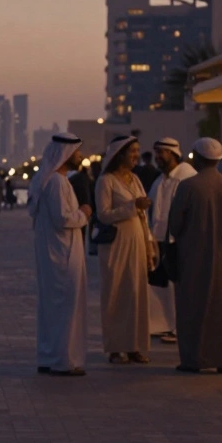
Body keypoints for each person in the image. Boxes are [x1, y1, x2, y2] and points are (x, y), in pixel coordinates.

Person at [167, 138, 222, 373]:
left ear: (197, 157)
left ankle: (194, 359)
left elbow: (175, 225)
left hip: (193, 256)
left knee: (193, 306)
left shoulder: (188, 187)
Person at [28, 132, 92, 376]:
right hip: (62, 254)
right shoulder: (56, 182)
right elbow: (62, 218)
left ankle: (50, 355)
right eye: (77, 152)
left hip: (57, 251)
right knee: (65, 307)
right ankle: (63, 360)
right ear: (65, 154)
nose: (81, 156)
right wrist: (84, 213)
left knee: (55, 308)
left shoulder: (56, 180)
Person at [95, 135, 156, 364]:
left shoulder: (135, 180)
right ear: (119, 153)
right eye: (132, 151)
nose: (136, 156)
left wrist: (149, 243)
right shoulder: (106, 181)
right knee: (116, 293)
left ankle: (135, 346)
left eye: (138, 151)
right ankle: (115, 347)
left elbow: (143, 216)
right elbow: (103, 214)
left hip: (137, 241)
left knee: (136, 293)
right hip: (116, 244)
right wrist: (132, 207)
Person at [146, 138, 197, 344]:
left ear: (174, 154)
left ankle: (180, 328)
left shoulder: (187, 177)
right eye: (156, 152)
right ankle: (164, 325)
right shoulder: (160, 180)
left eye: (162, 153)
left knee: (179, 286)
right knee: (161, 287)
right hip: (160, 240)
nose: (158, 157)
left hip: (179, 241)